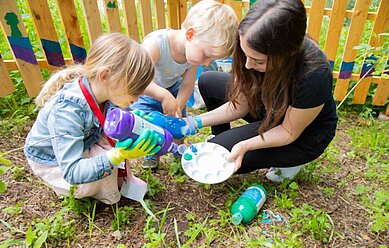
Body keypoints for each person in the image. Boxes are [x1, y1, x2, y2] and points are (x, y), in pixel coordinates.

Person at [188, 0, 338, 183]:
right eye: (245, 55)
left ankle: (288, 161)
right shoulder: (253, 44)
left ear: (286, 53)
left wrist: (245, 145)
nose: (247, 65)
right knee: (208, 81)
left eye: (258, 61)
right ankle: (221, 138)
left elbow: (288, 131)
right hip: (272, 106)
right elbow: (241, 105)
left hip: (301, 134)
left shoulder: (314, 74)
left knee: (219, 156)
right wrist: (192, 122)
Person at [24, 33, 161, 204]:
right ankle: (95, 188)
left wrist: (132, 121)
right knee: (100, 168)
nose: (140, 94)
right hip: (55, 162)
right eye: (135, 87)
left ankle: (119, 178)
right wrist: (117, 155)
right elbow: (73, 171)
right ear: (105, 76)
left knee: (121, 137)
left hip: (87, 140)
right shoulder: (67, 110)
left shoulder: (107, 91)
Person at [131, 0, 238, 169]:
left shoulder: (193, 53)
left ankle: (177, 149)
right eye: (206, 55)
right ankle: (152, 153)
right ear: (190, 35)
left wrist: (177, 106)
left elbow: (187, 84)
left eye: (211, 59)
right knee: (151, 129)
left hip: (173, 89)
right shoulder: (156, 44)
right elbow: (137, 80)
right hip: (148, 92)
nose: (207, 62)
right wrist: (163, 95)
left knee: (178, 124)